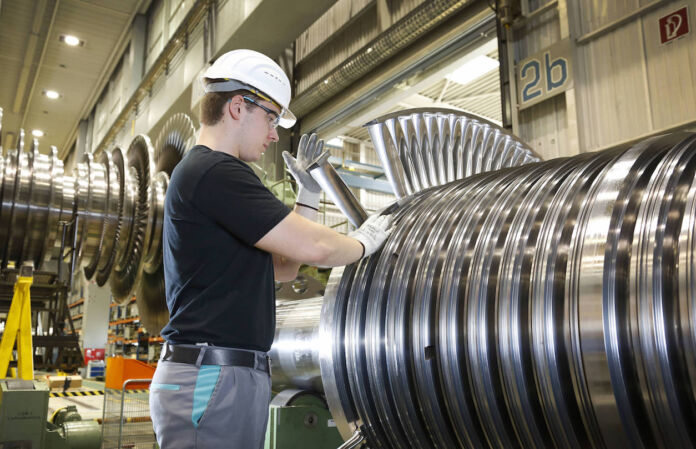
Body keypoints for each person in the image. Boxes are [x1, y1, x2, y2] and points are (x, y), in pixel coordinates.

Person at [149, 49, 393, 449]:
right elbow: (314, 246)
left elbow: (284, 267)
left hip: (226, 376)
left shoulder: (211, 175)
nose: (275, 134)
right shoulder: (215, 171)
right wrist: (363, 242)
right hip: (212, 376)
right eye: (271, 117)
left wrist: (308, 197)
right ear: (237, 107)